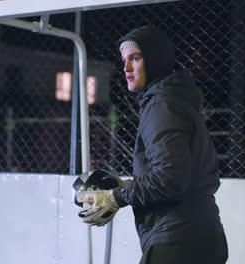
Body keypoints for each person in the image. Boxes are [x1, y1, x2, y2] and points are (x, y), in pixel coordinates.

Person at [76, 26, 228, 263]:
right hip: (201, 235)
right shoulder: (175, 100)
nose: (126, 68)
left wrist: (117, 196)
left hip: (177, 241)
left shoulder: (161, 106)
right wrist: (130, 186)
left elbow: (170, 178)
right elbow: (179, 173)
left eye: (135, 58)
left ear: (155, 60)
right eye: (124, 59)